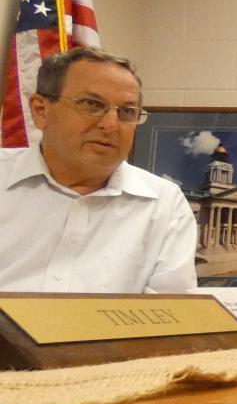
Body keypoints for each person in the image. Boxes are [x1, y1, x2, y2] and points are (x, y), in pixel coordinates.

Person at [0, 47, 197, 293]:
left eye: (126, 112)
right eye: (92, 104)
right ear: (41, 110)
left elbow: (171, 317)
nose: (110, 125)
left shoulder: (164, 205)